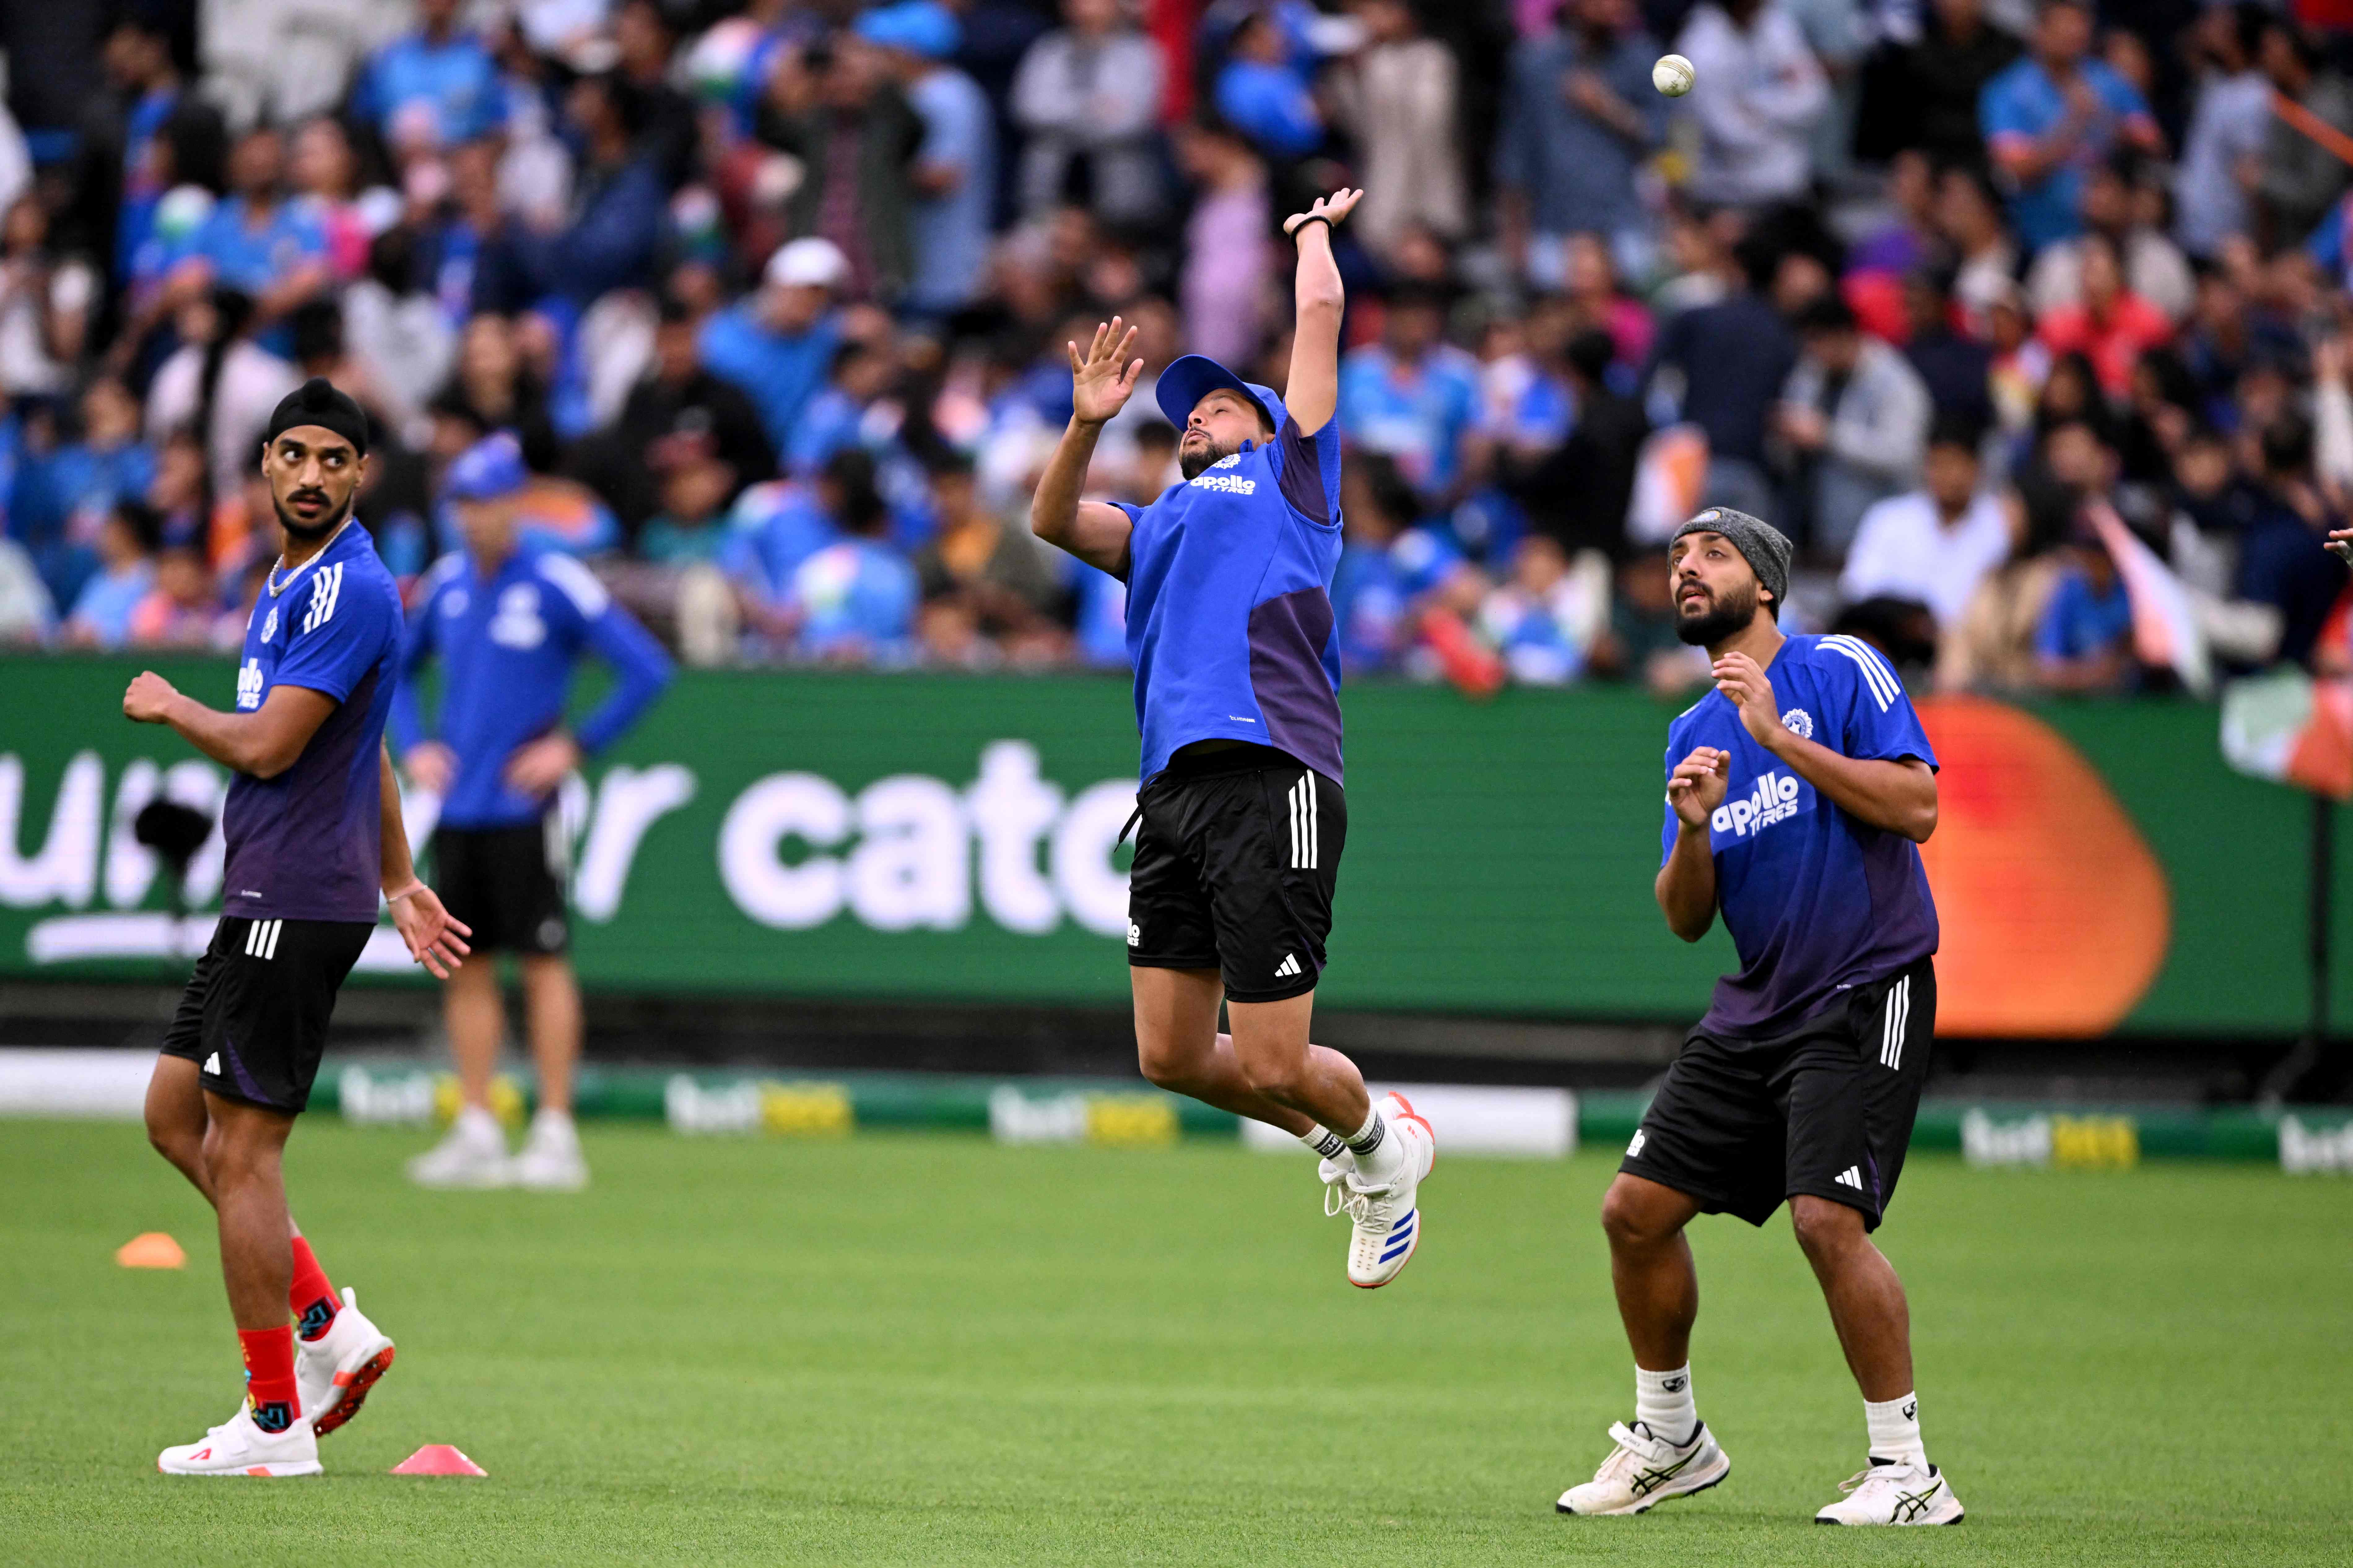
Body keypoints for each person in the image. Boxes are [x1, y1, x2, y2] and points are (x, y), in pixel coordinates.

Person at [1028, 187, 1438, 1288]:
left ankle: (1380, 1152)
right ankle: (1348, 1142)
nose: (1197, 414)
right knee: (1167, 1054)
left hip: (1274, 774)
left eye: (1218, 405)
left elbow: (1317, 322)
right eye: (1186, 412)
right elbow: (1049, 521)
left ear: (1263, 424)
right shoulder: (1156, 525)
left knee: (1265, 1054)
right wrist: (1083, 425)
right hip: (1174, 794)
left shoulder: (1293, 483)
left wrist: (1309, 235)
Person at [1558, 507, 1957, 1525]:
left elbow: (1917, 807)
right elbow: (1687, 918)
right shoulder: (1690, 734)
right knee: (1633, 1214)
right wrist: (1693, 830)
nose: (1687, 570)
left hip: (1867, 984)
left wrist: (1780, 737)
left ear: (1767, 582)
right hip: (1757, 1007)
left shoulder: (1837, 667)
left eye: (1713, 555)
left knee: (1827, 1218)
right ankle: (1672, 1438)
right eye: (1678, 559)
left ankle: (1908, 1471)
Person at [125, 376, 469, 1477]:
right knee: (176, 1116)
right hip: (270, 888)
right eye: (295, 456)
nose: (313, 475)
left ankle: (274, 1424)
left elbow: (274, 746)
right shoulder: (290, 577)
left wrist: (175, 706)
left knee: (246, 1149)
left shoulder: (349, 590)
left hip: (293, 899)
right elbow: (356, 745)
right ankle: (330, 1327)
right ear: (265, 463)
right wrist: (403, 877)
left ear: (362, 474)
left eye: (335, 458)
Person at [396, 433, 675, 1190]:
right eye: (461, 503)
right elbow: (395, 670)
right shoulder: (447, 584)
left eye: (483, 502)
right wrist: (416, 744)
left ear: (515, 503)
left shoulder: (556, 581)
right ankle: (478, 1122)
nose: (470, 518)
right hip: (461, 804)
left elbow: (646, 668)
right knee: (467, 963)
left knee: (544, 959)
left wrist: (574, 746)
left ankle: (554, 1129)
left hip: (526, 806)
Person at [1980, 0, 2162, 254]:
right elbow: (2014, 169)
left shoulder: (2110, 81)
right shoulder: (2007, 90)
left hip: (2115, 243)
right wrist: (2073, 125)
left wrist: (2116, 128)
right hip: (2042, 243)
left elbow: (2154, 144)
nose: (2074, 32)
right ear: (2039, 32)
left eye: (2079, 23)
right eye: (2064, 24)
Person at [1840, 420, 2014, 632]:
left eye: (1954, 464)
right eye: (1936, 463)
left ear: (1976, 468)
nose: (1944, 474)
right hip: (1894, 643)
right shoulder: (1889, 517)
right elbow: (1858, 589)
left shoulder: (2001, 524)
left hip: (1969, 647)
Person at [698, 237, 849, 457]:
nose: (807, 302)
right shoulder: (720, 336)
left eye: (819, 295)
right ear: (774, 286)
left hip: (800, 467)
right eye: (800, 291)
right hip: (736, 459)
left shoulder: (828, 336)